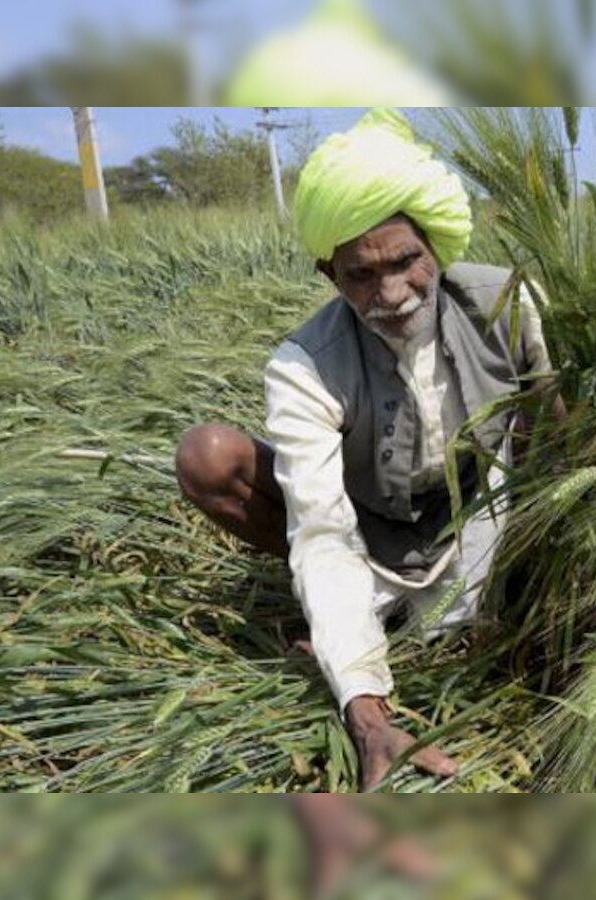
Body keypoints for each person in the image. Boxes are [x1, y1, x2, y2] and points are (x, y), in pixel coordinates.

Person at [174, 108, 557, 791]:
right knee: (207, 454)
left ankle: (444, 614)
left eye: (406, 262)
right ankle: (362, 631)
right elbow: (322, 531)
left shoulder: (509, 303)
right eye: (359, 275)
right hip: (369, 534)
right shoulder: (304, 367)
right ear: (329, 273)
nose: (389, 294)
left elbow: (554, 433)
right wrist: (368, 715)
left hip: (483, 515)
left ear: (435, 247)